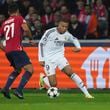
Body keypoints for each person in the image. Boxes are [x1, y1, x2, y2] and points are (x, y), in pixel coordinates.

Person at [38, 17, 94, 99]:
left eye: (66, 27)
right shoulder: (50, 32)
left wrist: (78, 47)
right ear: (58, 25)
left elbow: (74, 39)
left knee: (71, 73)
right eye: (62, 26)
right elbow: (41, 44)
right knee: (54, 85)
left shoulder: (67, 34)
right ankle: (43, 78)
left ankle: (87, 94)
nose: (64, 28)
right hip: (48, 59)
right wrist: (41, 58)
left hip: (60, 57)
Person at [0, 2, 34, 99]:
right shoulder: (19, 18)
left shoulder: (4, 23)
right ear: (18, 11)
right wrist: (31, 39)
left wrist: (5, 49)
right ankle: (19, 90)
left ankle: (6, 88)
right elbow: (26, 29)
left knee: (17, 70)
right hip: (17, 49)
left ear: (8, 12)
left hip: (8, 52)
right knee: (30, 69)